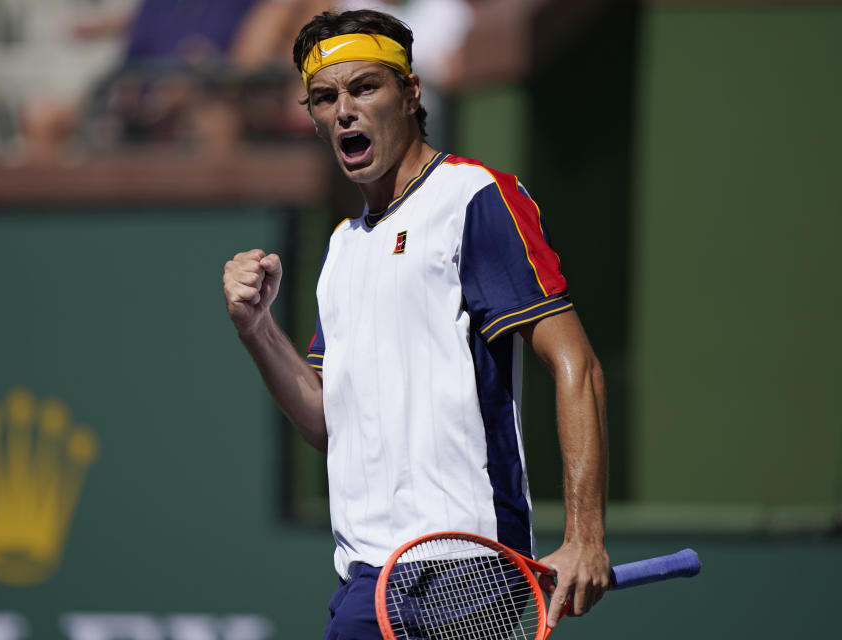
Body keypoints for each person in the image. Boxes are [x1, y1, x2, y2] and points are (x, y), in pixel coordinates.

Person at [222, 9, 610, 639]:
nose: (344, 109)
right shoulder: (342, 248)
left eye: (365, 87)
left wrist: (584, 536)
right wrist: (257, 329)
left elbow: (578, 366)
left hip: (466, 573)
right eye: (325, 97)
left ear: (410, 93)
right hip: (365, 581)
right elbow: (328, 424)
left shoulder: (474, 197)